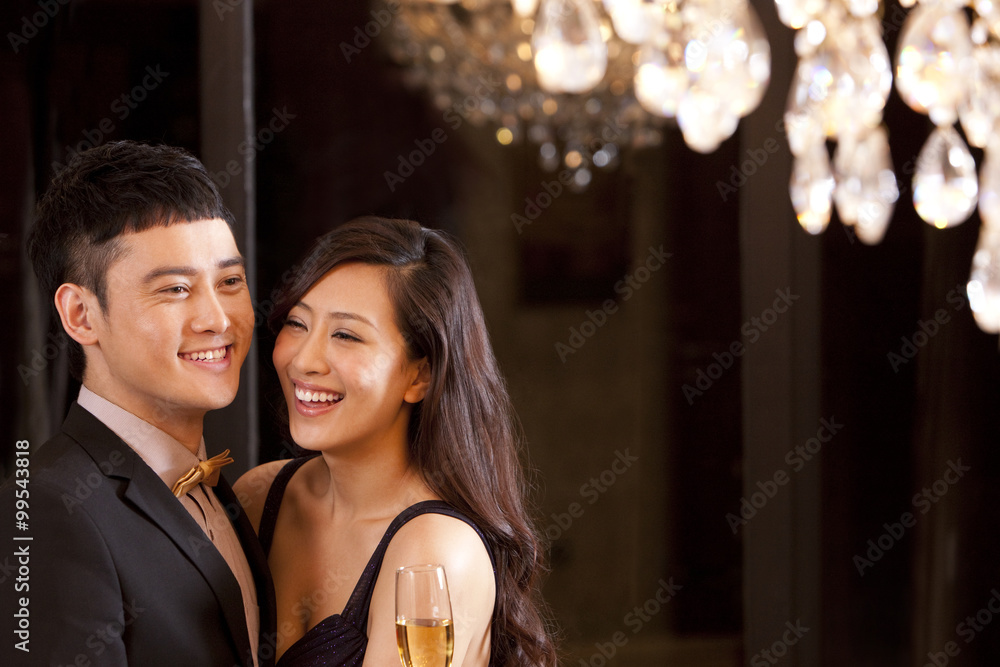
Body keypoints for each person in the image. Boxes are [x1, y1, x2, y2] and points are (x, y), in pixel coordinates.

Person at [235, 216, 557, 666]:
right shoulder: (259, 495)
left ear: (419, 375)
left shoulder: (436, 549)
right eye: (297, 323)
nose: (303, 360)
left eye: (346, 335)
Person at [0, 141, 274, 666]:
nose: (218, 319)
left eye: (231, 282)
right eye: (175, 289)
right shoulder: (46, 508)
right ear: (81, 314)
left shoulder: (222, 492)